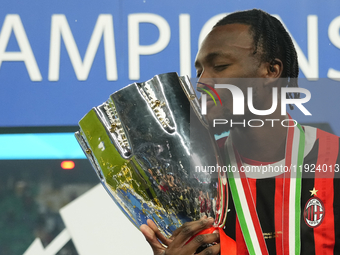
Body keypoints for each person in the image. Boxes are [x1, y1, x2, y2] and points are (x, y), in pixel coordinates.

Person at [140, 9, 340, 255]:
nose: (201, 84)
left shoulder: (334, 161)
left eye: (220, 66)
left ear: (271, 71)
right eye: (199, 71)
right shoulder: (195, 178)